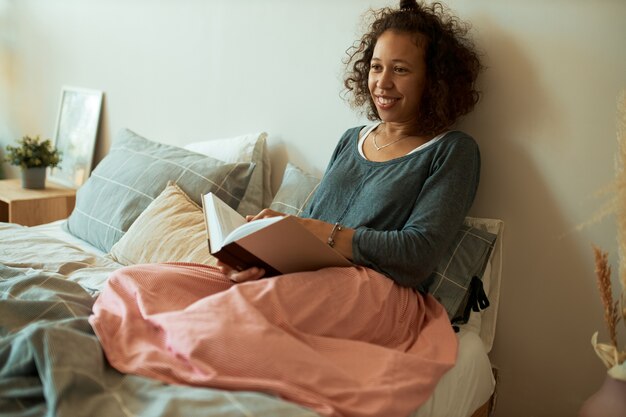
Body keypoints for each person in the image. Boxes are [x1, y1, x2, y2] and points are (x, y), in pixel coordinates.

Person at [89, 1, 484, 416]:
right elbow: (308, 227)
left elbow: (418, 255)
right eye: (376, 66)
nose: (382, 82)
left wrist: (323, 235)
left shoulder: (453, 152)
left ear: (433, 80)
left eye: (401, 69)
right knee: (139, 283)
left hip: (377, 290)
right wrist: (261, 251)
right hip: (312, 274)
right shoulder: (352, 139)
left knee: (219, 323)